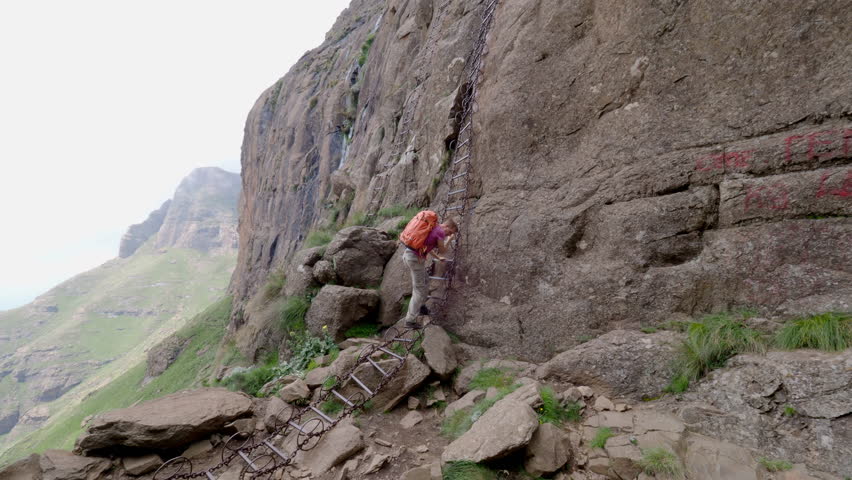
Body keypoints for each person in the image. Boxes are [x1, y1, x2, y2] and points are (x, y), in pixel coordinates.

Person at [402, 217, 458, 328]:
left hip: (410, 256)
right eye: (450, 232)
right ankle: (410, 320)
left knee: (426, 280)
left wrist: (438, 257)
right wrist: (450, 239)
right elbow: (443, 249)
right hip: (415, 259)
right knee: (418, 289)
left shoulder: (433, 228)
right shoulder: (440, 232)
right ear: (447, 226)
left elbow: (427, 248)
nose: (448, 234)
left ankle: (421, 306)